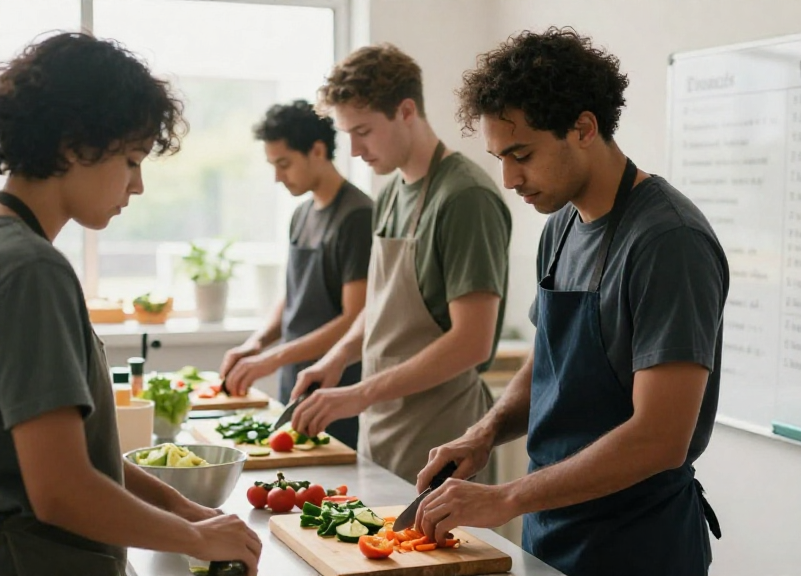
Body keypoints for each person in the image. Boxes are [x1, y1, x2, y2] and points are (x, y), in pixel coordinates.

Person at [412, 28, 729, 576]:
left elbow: (660, 438)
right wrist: (484, 433)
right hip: (551, 531)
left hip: (638, 546)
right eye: (500, 158)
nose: (510, 179)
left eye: (522, 155)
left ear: (584, 128)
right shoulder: (560, 225)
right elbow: (549, 363)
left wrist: (506, 498)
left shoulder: (667, 241)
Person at [0, 33, 261, 575]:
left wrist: (178, 504)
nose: (138, 186)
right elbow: (61, 490)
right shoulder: (33, 272)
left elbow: (71, 453)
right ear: (75, 145)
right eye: (132, 160)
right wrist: (195, 538)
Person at [289, 43, 512, 485]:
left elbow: (472, 342)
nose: (353, 150)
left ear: (406, 111)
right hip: (385, 428)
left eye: (364, 131)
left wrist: (359, 393)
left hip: (443, 439)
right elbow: (384, 301)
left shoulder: (465, 197)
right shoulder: (391, 191)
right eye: (346, 133)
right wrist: (337, 357)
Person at [219, 99, 372, 448]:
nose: (277, 177)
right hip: (294, 376)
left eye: (284, 164)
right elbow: (294, 294)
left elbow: (354, 318)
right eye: (273, 165)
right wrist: (256, 344)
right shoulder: (301, 214)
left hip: (337, 386)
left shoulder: (357, 217)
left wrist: (272, 358)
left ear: (317, 150)